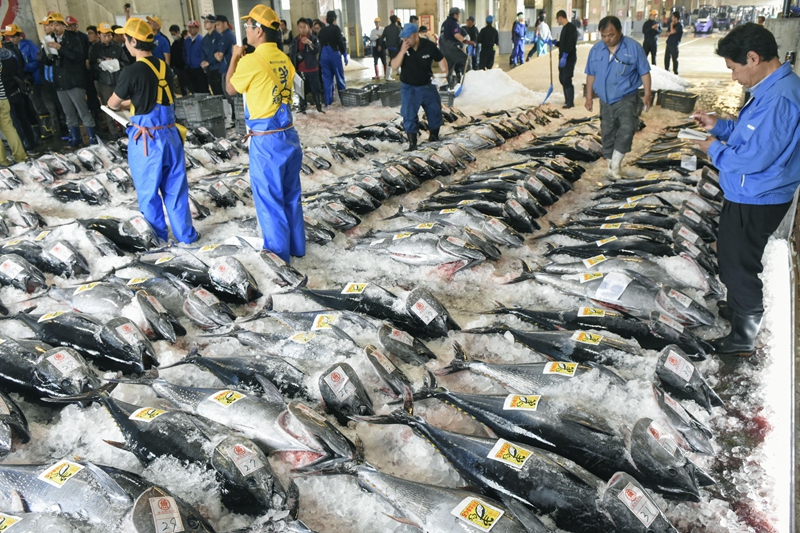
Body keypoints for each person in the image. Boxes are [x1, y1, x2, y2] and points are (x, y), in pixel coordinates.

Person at [691, 24, 800, 356]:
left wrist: (713, 148)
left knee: (740, 263)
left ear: (753, 58)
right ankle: (739, 309)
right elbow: (750, 134)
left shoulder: (781, 98)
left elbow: (755, 156)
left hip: (758, 195)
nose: (734, 77)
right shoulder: (771, 90)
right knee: (731, 256)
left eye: (735, 68)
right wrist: (719, 126)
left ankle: (743, 336)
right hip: (748, 192)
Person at [108, 17, 198, 245]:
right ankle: (186, 237)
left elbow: (113, 104)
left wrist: (125, 102)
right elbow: (154, 97)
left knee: (149, 194)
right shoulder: (163, 67)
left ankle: (159, 239)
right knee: (175, 190)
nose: (124, 44)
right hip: (170, 135)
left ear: (133, 42)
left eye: (125, 40)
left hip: (147, 140)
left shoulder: (131, 71)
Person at [227, 4, 305, 262]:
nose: (246, 31)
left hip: (266, 141)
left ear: (259, 31)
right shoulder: (284, 58)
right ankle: (296, 247)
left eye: (249, 26)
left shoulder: (250, 61)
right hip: (288, 135)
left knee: (270, 199)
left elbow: (230, 88)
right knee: (291, 194)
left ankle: (279, 258)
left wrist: (234, 58)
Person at [584, 16, 652, 178]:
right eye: (604, 36)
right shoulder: (596, 50)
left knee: (628, 128)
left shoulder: (633, 48)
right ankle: (611, 166)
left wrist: (648, 94)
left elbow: (644, 72)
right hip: (605, 100)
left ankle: (616, 163)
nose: (607, 39)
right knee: (607, 132)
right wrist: (588, 97)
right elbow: (590, 75)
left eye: (611, 35)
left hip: (626, 97)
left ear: (620, 31)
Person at [42, 13, 98, 147]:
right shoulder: (49, 40)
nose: (54, 28)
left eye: (56, 25)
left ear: (63, 26)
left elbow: (78, 57)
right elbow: (46, 62)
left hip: (74, 82)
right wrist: (47, 52)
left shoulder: (73, 39)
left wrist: (60, 48)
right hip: (60, 83)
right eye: (51, 25)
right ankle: (75, 137)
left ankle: (92, 138)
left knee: (83, 111)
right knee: (68, 113)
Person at [391, 23, 447, 152]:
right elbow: (394, 66)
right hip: (409, 88)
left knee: (435, 111)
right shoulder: (402, 47)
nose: (405, 41)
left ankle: (434, 137)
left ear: (416, 35)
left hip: (427, 86)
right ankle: (412, 144)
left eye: (408, 38)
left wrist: (445, 72)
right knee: (409, 115)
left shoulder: (428, 46)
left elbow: (441, 58)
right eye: (403, 38)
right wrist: (402, 52)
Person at [90, 22, 129, 138]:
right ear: (99, 35)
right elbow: (91, 64)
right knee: (108, 107)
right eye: (103, 35)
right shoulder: (95, 48)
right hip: (104, 82)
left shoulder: (117, 47)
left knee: (122, 105)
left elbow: (126, 62)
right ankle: (114, 132)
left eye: (108, 35)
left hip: (118, 81)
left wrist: (115, 62)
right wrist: (102, 64)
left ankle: (126, 129)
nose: (106, 37)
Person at [0, 43, 28, 165]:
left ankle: (2, 161)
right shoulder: (3, 56)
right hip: (2, 98)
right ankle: (20, 156)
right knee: (9, 128)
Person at [289, 18, 323, 113]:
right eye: (300, 27)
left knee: (316, 90)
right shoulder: (295, 41)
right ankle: (302, 108)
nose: (302, 29)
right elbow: (292, 55)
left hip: (312, 69)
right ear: (298, 28)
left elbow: (317, 50)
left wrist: (309, 43)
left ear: (308, 27)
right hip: (300, 70)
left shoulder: (314, 39)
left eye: (305, 27)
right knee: (301, 91)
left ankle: (319, 108)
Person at [318, 10, 347, 106]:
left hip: (323, 55)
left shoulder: (322, 30)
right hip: (333, 54)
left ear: (326, 19)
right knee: (339, 78)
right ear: (334, 19)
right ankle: (344, 102)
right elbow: (340, 42)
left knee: (327, 80)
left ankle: (328, 103)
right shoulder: (336, 29)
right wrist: (344, 54)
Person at [440, 7, 473, 86]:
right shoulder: (453, 23)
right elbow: (457, 35)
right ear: (455, 14)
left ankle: (445, 88)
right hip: (450, 47)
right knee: (466, 60)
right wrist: (467, 42)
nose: (459, 16)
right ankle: (469, 83)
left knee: (448, 69)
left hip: (443, 49)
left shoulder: (445, 23)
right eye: (458, 15)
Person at [214, 15, 236, 120]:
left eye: (218, 25)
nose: (217, 27)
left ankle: (235, 118)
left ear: (225, 23)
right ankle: (234, 117)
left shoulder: (226, 37)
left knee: (229, 94)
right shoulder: (228, 35)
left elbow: (219, 56)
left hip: (228, 70)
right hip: (228, 68)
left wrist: (215, 54)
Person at [555, 10, 578, 109]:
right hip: (563, 58)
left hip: (569, 58)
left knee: (567, 79)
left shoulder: (571, 28)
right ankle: (567, 100)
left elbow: (571, 43)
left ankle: (570, 102)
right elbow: (563, 43)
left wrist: (565, 55)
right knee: (562, 79)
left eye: (557, 19)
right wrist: (556, 43)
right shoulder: (564, 28)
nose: (557, 21)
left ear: (561, 17)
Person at [183, 21, 207, 94]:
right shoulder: (187, 41)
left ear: (197, 29)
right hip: (190, 67)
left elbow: (205, 53)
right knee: (194, 88)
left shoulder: (202, 40)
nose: (190, 29)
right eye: (189, 27)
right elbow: (185, 53)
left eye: (192, 27)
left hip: (200, 68)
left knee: (203, 87)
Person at [201, 15, 222, 94]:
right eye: (204, 22)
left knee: (221, 91)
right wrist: (203, 60)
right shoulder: (205, 39)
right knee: (214, 91)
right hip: (209, 69)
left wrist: (209, 62)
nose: (205, 23)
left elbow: (220, 52)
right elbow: (202, 51)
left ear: (213, 24)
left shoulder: (218, 36)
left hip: (218, 68)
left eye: (207, 22)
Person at [169, 24, 188, 95]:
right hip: (178, 68)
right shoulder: (174, 44)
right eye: (171, 34)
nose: (173, 36)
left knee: (189, 85)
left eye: (174, 34)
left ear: (178, 32)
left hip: (185, 67)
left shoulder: (185, 42)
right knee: (182, 86)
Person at [383, 15, 401, 80]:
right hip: (396, 47)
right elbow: (399, 38)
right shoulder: (398, 28)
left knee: (394, 58)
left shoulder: (387, 28)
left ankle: (399, 72)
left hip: (389, 47)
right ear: (396, 20)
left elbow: (382, 37)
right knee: (393, 60)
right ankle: (388, 76)